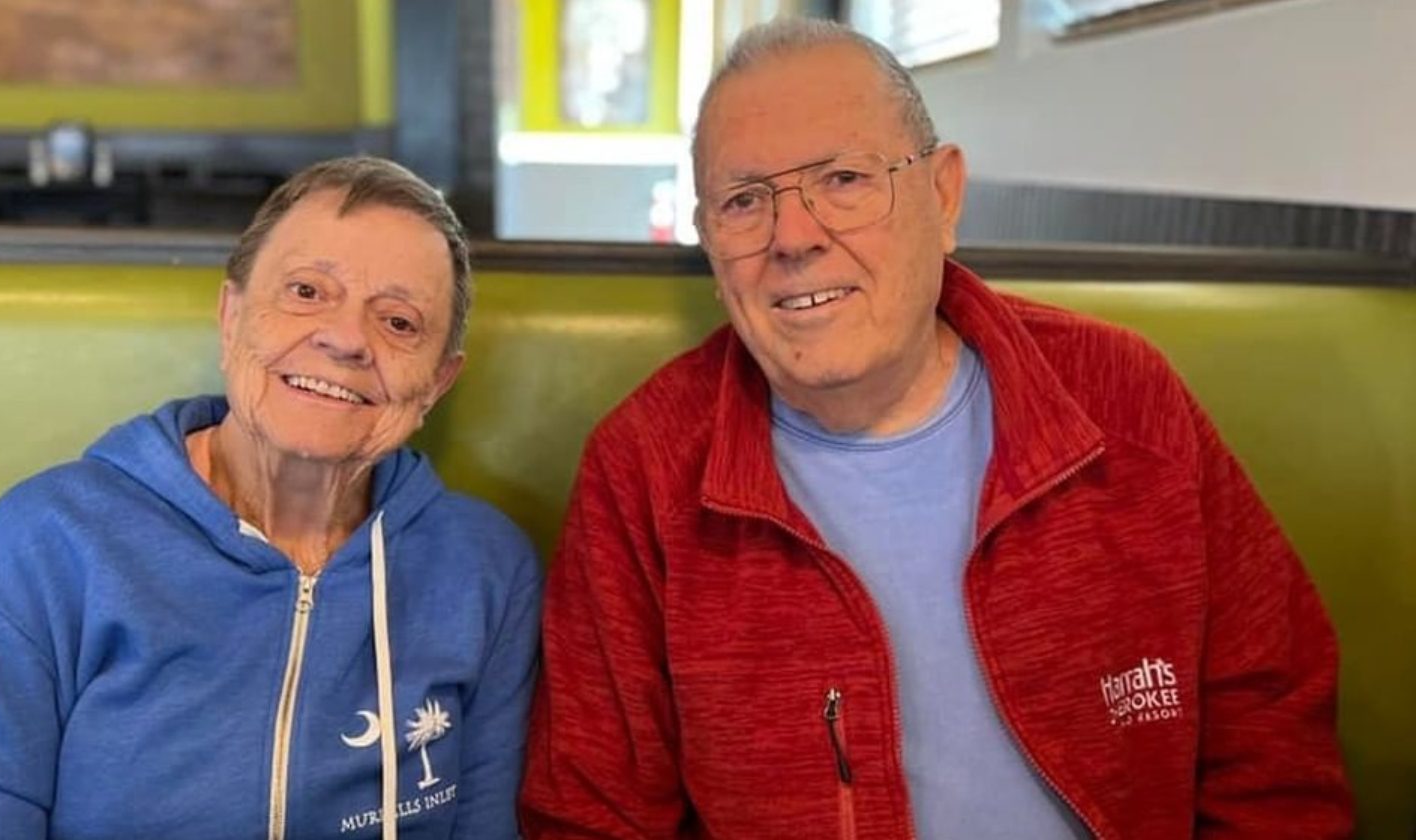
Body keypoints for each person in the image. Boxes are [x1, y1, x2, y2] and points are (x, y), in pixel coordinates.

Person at [519, 18, 1352, 839]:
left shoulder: (1124, 398)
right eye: (744, 202)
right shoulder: (645, 467)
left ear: (943, 194)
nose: (795, 237)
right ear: (707, 242)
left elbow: (1272, 744)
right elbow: (594, 814)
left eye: (844, 178)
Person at [0, 157, 542, 839]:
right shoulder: (45, 547)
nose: (346, 338)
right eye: (306, 291)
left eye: (400, 322)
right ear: (232, 317)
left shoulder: (487, 572)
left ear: (437, 383)